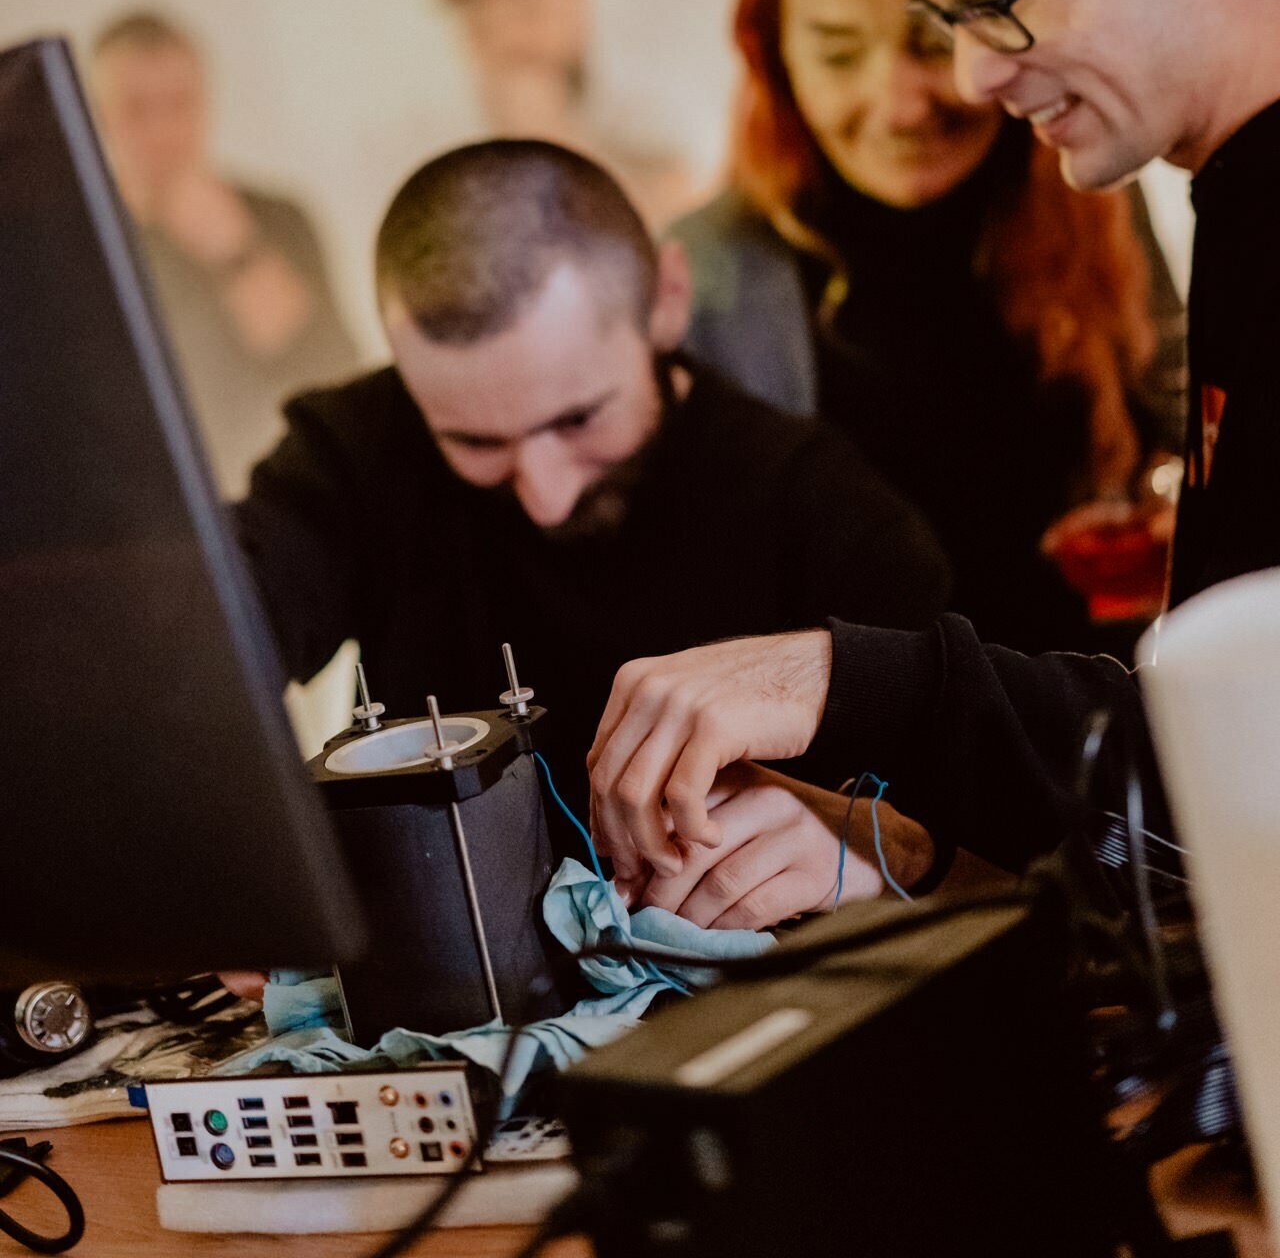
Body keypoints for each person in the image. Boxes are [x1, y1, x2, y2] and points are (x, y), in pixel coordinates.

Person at [588, 0, 1280, 890]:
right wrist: (899, 849)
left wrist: (855, 684)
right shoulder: (1226, 197)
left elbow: (1250, 756)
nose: (963, 81)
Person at [235, 139, 945, 928]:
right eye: (474, 442)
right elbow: (201, 650)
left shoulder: (829, 510)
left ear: (666, 300)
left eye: (578, 419)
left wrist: (879, 848)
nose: (544, 494)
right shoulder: (350, 452)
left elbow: (964, 827)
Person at [673, 0, 1184, 650]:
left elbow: (1177, 420)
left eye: (932, 43)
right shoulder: (706, 278)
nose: (900, 105)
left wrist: (1168, 502)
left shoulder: (1090, 195)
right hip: (859, 767)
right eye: (840, 54)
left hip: (1099, 715)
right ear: (776, 62)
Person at [91, 11, 359, 494]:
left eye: (179, 103)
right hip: (148, 510)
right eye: (137, 108)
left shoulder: (280, 218)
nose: (162, 130)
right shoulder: (82, 244)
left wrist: (235, 251)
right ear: (99, 116)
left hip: (285, 493)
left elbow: (332, 378)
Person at [438, 0, 698, 231]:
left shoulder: (646, 107)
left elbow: (682, 211)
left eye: (532, 6)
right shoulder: (452, 158)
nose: (516, 34)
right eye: (526, 8)